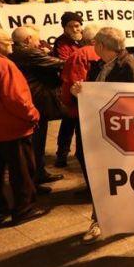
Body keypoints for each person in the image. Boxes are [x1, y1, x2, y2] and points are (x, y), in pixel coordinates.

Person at [70, 27, 134, 243]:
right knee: (101, 176)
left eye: (95, 43)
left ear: (102, 46)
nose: (92, 46)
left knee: (127, 176)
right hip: (100, 133)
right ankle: (101, 218)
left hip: (121, 136)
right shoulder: (100, 65)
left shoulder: (130, 67)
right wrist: (80, 92)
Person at [0, 27, 48, 226]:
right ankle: (24, 209)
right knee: (21, 172)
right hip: (12, 130)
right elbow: (16, 99)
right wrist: (34, 115)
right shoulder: (1, 65)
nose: (11, 44)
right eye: (7, 41)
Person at [10, 26, 66, 187]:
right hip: (37, 101)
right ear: (28, 40)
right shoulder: (28, 52)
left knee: (38, 141)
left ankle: (39, 173)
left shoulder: (19, 52)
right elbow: (59, 63)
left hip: (34, 100)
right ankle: (35, 177)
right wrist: (77, 58)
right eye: (37, 39)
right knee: (36, 141)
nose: (39, 42)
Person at [60, 24, 100, 196]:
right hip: (100, 111)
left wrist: (68, 103)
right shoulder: (110, 54)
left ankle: (93, 189)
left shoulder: (80, 55)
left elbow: (74, 83)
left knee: (85, 151)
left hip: (83, 112)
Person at [51, 12, 84, 167]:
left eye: (77, 25)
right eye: (71, 26)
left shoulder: (82, 40)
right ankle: (62, 155)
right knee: (68, 123)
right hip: (68, 89)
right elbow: (63, 62)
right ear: (65, 28)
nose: (75, 29)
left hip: (81, 89)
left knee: (79, 124)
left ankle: (81, 154)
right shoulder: (61, 42)